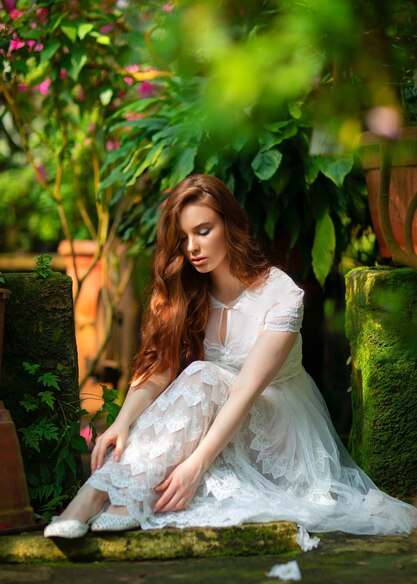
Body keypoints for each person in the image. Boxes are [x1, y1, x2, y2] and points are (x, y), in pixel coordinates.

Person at [44, 174, 417, 539]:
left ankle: (109, 498)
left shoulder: (281, 295)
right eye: (184, 238)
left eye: (203, 231)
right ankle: (97, 495)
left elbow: (244, 391)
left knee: (202, 375)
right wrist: (122, 423)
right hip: (212, 419)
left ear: (230, 226)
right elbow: (161, 371)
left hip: (275, 434)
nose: (192, 247)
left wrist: (196, 465)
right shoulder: (189, 292)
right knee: (193, 379)